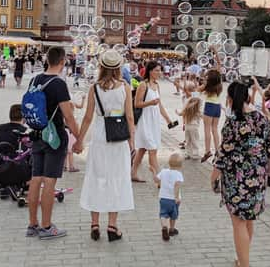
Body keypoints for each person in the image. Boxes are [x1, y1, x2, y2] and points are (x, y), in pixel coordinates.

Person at [210, 82, 270, 267]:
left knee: (238, 222)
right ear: (247, 96)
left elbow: (223, 154)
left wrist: (213, 177)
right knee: (248, 219)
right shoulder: (261, 118)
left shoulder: (233, 122)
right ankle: (241, 258)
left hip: (236, 178)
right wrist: (268, 173)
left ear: (230, 99)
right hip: (258, 175)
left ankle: (244, 263)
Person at [75, 50, 135, 242]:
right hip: (118, 139)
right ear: (118, 68)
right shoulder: (125, 87)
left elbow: (87, 117)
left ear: (101, 67)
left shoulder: (94, 88)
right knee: (116, 178)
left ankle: (94, 224)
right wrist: (132, 141)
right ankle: (112, 226)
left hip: (100, 137)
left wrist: (79, 140)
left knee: (96, 176)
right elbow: (130, 117)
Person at [25, 47, 80, 240]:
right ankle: (47, 227)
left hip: (37, 134)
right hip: (54, 136)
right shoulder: (59, 83)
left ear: (47, 60)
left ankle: (32, 224)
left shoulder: (35, 79)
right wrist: (79, 138)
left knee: (35, 179)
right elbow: (68, 116)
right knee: (49, 182)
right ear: (63, 61)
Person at [131, 61, 175, 182]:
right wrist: (150, 103)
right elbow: (137, 104)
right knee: (152, 149)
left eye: (160, 70)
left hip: (154, 121)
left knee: (142, 149)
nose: (159, 72)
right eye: (156, 70)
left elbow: (159, 104)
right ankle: (159, 178)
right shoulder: (143, 85)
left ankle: (133, 173)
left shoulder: (157, 85)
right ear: (150, 71)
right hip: (145, 120)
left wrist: (168, 119)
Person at [155, 153, 184, 241]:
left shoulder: (163, 171)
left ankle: (164, 226)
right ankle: (171, 229)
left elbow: (156, 180)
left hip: (163, 198)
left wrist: (153, 171)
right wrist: (176, 197)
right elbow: (177, 185)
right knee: (173, 215)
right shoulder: (178, 174)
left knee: (163, 214)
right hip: (173, 200)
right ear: (181, 166)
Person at [198, 69, 223, 163]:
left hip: (209, 105)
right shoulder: (219, 86)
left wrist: (203, 82)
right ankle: (217, 150)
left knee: (207, 129)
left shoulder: (206, 86)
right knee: (215, 129)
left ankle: (207, 151)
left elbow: (196, 90)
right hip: (217, 106)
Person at [177, 93, 202, 160]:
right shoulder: (197, 111)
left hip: (187, 127)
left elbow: (180, 114)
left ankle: (188, 154)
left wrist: (176, 111)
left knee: (188, 141)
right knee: (195, 140)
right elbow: (203, 117)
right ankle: (195, 154)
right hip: (194, 127)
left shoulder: (186, 110)